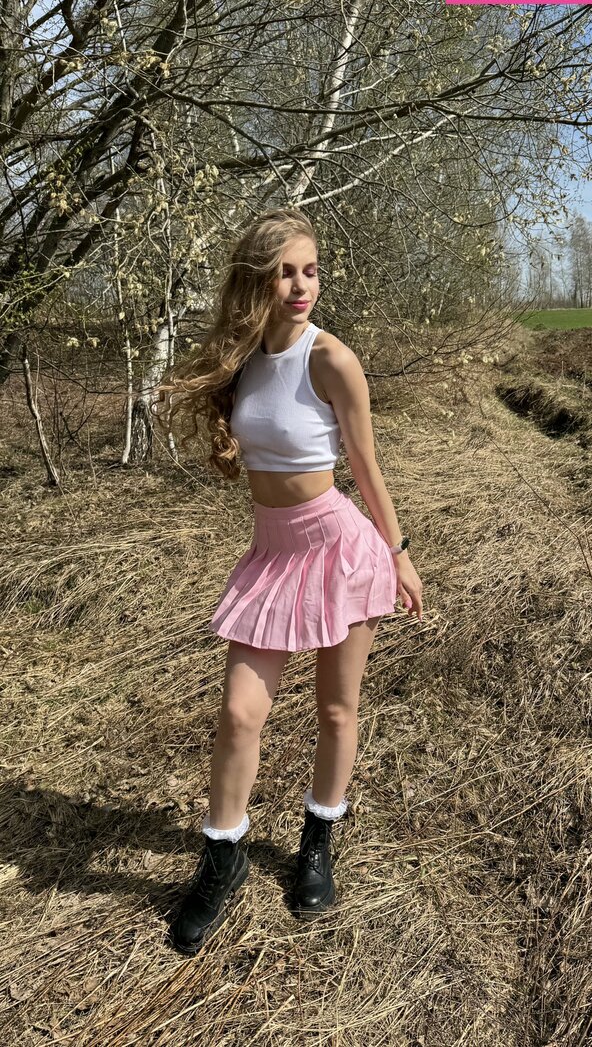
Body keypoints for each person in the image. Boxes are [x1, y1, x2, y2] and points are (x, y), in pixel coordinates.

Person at [154, 207, 423, 957]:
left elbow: (365, 465)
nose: (302, 286)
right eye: (285, 273)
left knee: (337, 710)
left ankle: (317, 843)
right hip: (271, 554)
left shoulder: (331, 358)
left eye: (311, 271)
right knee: (239, 714)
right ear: (257, 281)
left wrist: (398, 552)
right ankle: (223, 859)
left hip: (340, 550)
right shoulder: (242, 357)